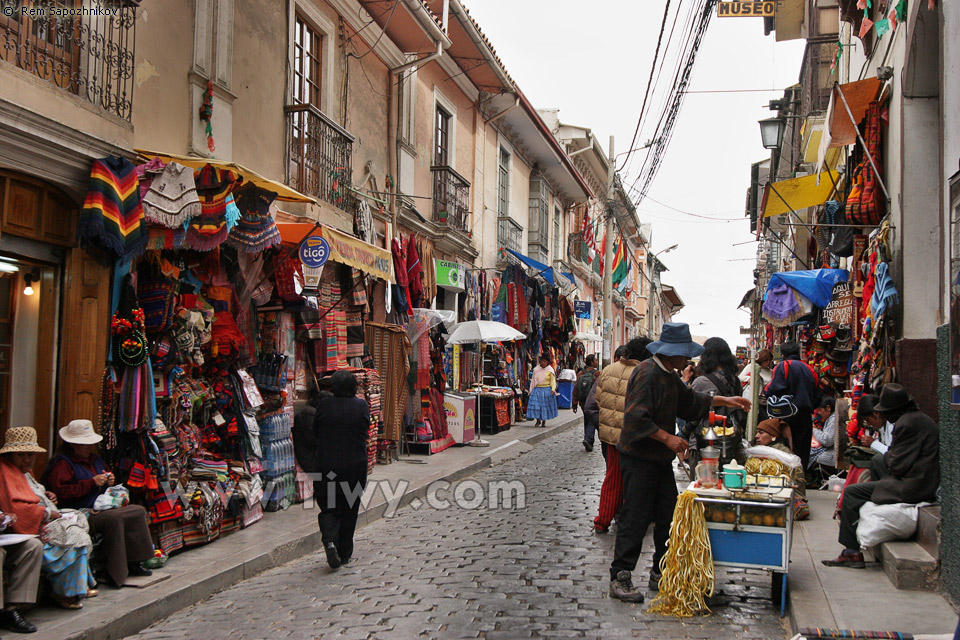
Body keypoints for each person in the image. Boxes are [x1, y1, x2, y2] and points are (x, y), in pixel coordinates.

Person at [609, 323, 751, 603]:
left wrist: (728, 401)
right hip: (639, 458)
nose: (688, 360)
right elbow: (636, 419)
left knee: (668, 516)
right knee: (635, 517)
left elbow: (690, 400)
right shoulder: (646, 372)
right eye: (685, 354)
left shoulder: (670, 376)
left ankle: (660, 572)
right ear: (672, 353)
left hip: (658, 459)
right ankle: (621, 575)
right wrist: (668, 439)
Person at [823, 384, 940, 568]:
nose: (884, 417)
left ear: (893, 411)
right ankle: (878, 499)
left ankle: (851, 552)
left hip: (914, 486)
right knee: (877, 461)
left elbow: (898, 465)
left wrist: (889, 457)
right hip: (919, 479)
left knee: (853, 493)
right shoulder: (917, 419)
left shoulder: (906, 424)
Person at [43, 420, 155, 588]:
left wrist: (109, 480)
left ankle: (135, 561)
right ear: (72, 444)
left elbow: (105, 475)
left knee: (137, 511)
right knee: (114, 519)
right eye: (83, 445)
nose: (88, 448)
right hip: (79, 512)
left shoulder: (95, 460)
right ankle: (114, 570)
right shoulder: (62, 464)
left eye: (89, 444)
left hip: (100, 507)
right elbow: (62, 494)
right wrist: (90, 483)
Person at [0, 427, 97, 610]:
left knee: (78, 523)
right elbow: (17, 507)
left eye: (30, 455)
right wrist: (45, 513)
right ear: (11, 455)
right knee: (76, 537)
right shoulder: (5, 473)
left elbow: (31, 494)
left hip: (43, 518)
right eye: (21, 455)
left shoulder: (25, 472)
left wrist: (46, 495)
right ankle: (66, 591)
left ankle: (75, 586)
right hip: (28, 525)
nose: (27, 460)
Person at [592, 338, 652, 534]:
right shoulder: (644, 372)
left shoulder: (609, 370)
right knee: (635, 481)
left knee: (613, 479)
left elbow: (599, 400)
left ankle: (602, 521)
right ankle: (629, 518)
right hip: (634, 437)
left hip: (611, 436)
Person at [313, 370, 370, 569]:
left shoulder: (324, 405)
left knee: (329, 505)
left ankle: (329, 541)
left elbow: (316, 432)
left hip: (327, 467)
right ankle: (344, 552)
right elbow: (365, 430)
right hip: (354, 466)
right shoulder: (361, 405)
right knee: (349, 508)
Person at [686, 337, 747, 466]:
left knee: (704, 479)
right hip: (732, 439)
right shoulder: (735, 381)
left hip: (703, 440)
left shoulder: (701, 382)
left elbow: (690, 408)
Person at [763, 341, 821, 471]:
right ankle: (800, 480)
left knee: (786, 449)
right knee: (802, 451)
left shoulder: (783, 366)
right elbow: (817, 395)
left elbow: (772, 389)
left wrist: (765, 392)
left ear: (783, 355)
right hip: (805, 416)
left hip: (786, 416)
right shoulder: (809, 369)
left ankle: (787, 479)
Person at [755, 418, 807, 508]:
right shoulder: (764, 450)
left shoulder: (782, 454)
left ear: (773, 436)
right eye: (757, 432)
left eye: (761, 432)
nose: (756, 436)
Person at [572, 354, 599, 451]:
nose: (597, 361)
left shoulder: (580, 374)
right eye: (595, 360)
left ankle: (587, 438)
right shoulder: (597, 374)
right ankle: (588, 439)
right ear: (592, 362)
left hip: (583, 401)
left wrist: (574, 403)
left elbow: (575, 389)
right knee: (591, 420)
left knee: (587, 419)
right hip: (593, 401)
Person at [739, 349, 774, 420]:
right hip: (754, 400)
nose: (768, 362)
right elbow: (741, 377)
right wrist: (749, 379)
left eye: (769, 360)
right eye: (766, 360)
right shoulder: (751, 366)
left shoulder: (770, 372)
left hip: (766, 401)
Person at [526, 354, 558, 428]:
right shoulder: (536, 370)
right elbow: (533, 381)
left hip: (546, 390)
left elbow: (553, 381)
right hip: (537, 390)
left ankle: (543, 420)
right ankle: (538, 420)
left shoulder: (550, 370)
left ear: (547, 362)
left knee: (544, 406)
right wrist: (531, 390)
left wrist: (553, 389)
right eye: (541, 361)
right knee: (537, 406)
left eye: (544, 361)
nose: (542, 363)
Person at [809, 396, 838, 473]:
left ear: (828, 408)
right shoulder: (832, 418)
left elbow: (827, 441)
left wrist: (814, 429)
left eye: (820, 410)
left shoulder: (834, 419)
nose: (819, 412)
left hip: (832, 455)